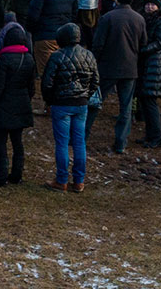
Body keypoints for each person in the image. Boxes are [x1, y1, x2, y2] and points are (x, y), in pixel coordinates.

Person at [39, 23, 99, 193]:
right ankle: (79, 181)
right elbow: (95, 81)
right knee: (79, 142)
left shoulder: (57, 56)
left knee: (62, 143)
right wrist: (85, 96)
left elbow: (47, 83)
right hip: (81, 105)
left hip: (61, 104)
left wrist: (50, 100)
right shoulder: (89, 55)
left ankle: (61, 180)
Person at [92, 0, 145, 153]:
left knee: (95, 102)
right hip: (130, 68)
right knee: (126, 107)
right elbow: (143, 44)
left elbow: (98, 44)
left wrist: (95, 62)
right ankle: (121, 142)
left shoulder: (108, 18)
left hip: (108, 67)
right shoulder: (139, 19)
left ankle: (82, 134)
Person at [0, 25, 36, 186]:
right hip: (21, 105)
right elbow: (31, 88)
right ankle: (17, 174)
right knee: (17, 141)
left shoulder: (5, 60)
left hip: (4, 105)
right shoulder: (29, 59)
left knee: (1, 141)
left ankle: (2, 175)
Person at [25, 0, 77, 80]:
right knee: (63, 73)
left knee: (47, 75)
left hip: (44, 37)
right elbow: (75, 15)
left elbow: (33, 16)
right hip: (65, 39)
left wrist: (32, 30)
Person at [138, 0, 161, 148]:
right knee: (145, 101)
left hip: (155, 64)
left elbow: (159, 43)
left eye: (152, 5)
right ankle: (150, 135)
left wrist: (141, 50)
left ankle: (157, 136)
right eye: (147, 4)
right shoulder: (144, 19)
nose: (149, 7)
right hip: (147, 64)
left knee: (150, 102)